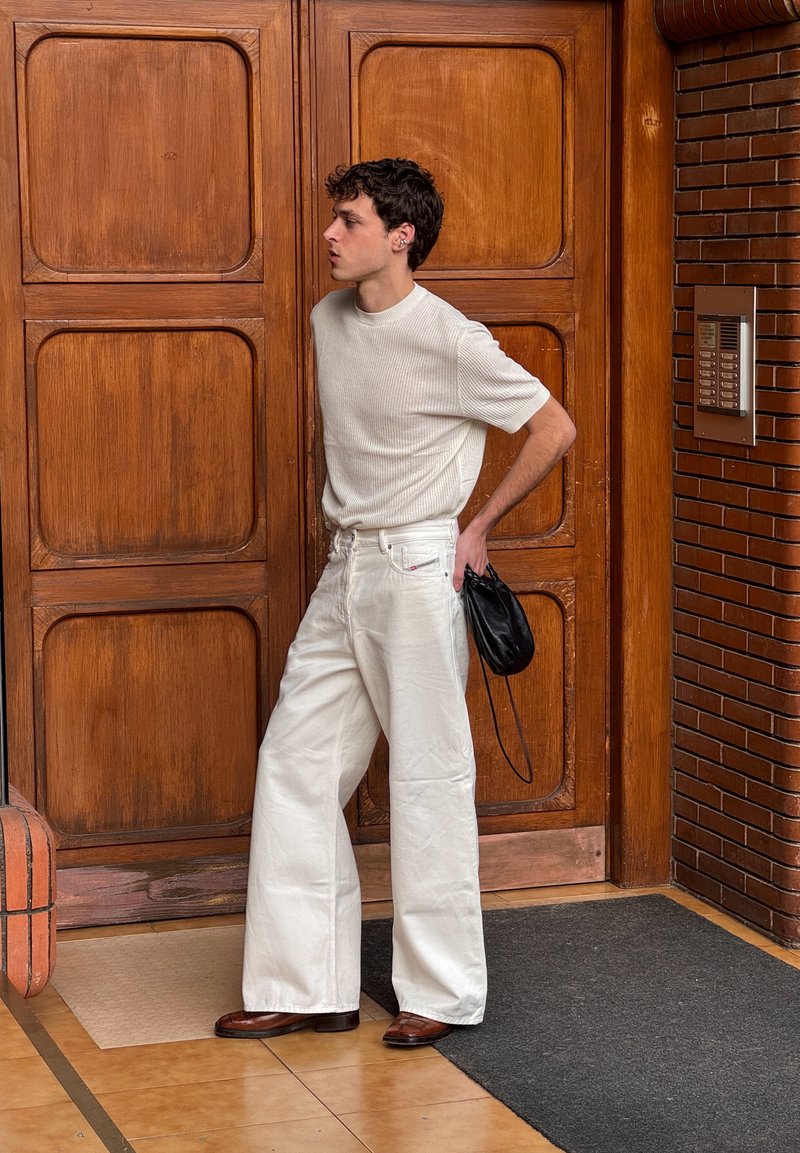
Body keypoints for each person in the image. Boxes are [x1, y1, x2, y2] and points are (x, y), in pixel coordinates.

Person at [215, 158, 575, 1048]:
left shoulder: (449, 337)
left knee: (428, 778)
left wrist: (478, 524)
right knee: (294, 763)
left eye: (349, 220)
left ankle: (442, 993)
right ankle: (307, 982)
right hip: (345, 568)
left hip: (420, 568)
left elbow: (554, 427)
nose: (330, 236)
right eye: (334, 220)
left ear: (400, 235)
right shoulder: (326, 319)